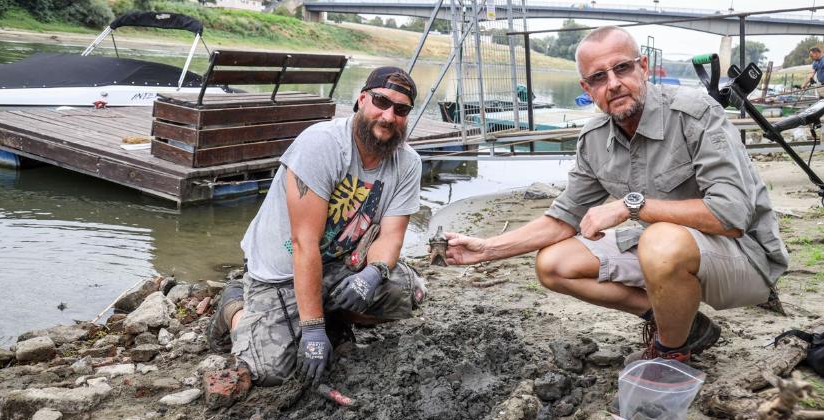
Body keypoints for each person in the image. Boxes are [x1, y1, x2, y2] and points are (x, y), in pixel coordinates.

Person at [445, 26, 788, 363]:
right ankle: (679, 322)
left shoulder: (695, 114)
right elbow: (562, 219)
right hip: (666, 254)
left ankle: (670, 354)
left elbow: (731, 217)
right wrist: (487, 249)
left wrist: (631, 207)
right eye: (598, 77)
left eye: (622, 68)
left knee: (659, 239)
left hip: (744, 258)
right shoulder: (594, 138)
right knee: (553, 264)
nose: (613, 83)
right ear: (586, 87)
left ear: (642, 67)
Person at [207, 67, 427, 386]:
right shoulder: (321, 144)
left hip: (338, 263)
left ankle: (328, 312)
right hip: (283, 268)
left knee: (407, 295)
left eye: (401, 109)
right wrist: (311, 329)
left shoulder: (408, 163)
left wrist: (372, 274)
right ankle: (235, 302)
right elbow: (303, 244)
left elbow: (392, 234)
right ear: (362, 99)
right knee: (272, 371)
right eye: (381, 102)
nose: (389, 116)